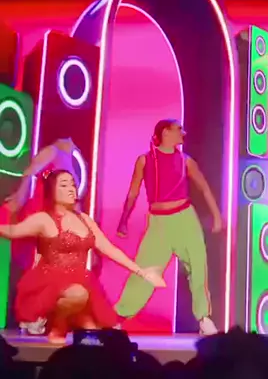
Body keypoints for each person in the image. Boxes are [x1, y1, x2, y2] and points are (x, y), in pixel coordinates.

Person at [0, 169, 165, 343]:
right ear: (52, 190)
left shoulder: (85, 219)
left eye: (73, 184)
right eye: (64, 185)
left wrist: (142, 272)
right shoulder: (44, 219)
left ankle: (68, 326)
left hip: (82, 283)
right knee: (78, 295)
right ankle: (57, 327)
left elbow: (108, 248)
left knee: (94, 335)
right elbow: (12, 231)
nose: (71, 189)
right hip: (51, 284)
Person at [115, 119, 222, 335]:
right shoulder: (144, 160)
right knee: (144, 270)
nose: (184, 132)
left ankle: (203, 318)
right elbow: (133, 192)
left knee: (198, 265)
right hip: (159, 223)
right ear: (165, 132)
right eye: (178, 129)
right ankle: (119, 318)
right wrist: (123, 220)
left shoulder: (186, 161)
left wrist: (217, 216)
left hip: (185, 219)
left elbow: (204, 188)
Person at [1, 138, 83, 335]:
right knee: (39, 267)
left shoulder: (68, 159)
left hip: (58, 218)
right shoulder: (52, 151)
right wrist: (19, 197)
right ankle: (30, 316)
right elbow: (30, 172)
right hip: (43, 213)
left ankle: (37, 315)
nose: (72, 142)